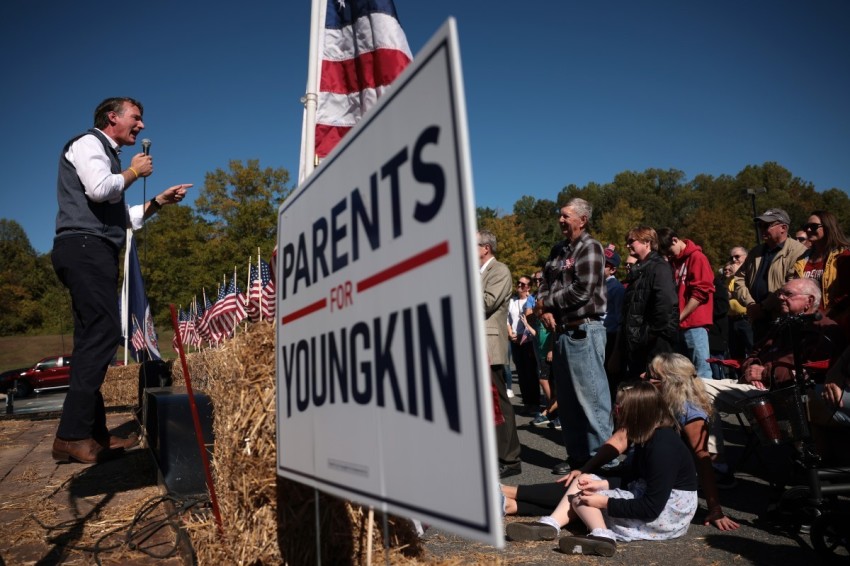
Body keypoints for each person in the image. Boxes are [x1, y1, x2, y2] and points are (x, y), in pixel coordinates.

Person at [51, 97, 191, 464]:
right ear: (112, 118)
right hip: (84, 248)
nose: (142, 126)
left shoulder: (108, 159)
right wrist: (133, 172)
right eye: (136, 118)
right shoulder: (88, 143)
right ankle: (71, 435)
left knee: (90, 339)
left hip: (92, 247)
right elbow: (101, 189)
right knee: (103, 332)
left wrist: (157, 202)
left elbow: (119, 216)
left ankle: (92, 435)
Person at [502, 353, 739, 530]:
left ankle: (508, 492)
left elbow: (703, 458)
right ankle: (512, 505)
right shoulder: (648, 399)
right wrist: (584, 468)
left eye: (651, 375)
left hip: (659, 483)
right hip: (637, 472)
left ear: (669, 382)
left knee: (586, 495)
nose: (643, 376)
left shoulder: (689, 412)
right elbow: (619, 439)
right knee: (583, 483)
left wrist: (715, 508)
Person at [504, 382, 698, 557]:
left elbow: (651, 507)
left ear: (637, 413)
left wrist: (603, 501)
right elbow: (635, 475)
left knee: (581, 500)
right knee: (584, 482)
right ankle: (550, 524)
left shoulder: (663, 446)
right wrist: (601, 484)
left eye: (620, 407)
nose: (615, 410)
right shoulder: (648, 436)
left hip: (668, 515)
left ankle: (602, 536)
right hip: (651, 500)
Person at [703, 278, 847, 474]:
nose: (779, 297)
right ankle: (713, 462)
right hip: (755, 386)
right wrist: (751, 368)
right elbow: (754, 353)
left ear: (809, 300)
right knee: (692, 387)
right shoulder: (780, 325)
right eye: (780, 293)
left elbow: (812, 370)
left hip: (785, 394)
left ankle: (715, 467)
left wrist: (766, 373)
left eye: (787, 294)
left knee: (697, 389)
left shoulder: (823, 329)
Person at [535, 198, 612, 476]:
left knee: (591, 400)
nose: (561, 220)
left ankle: (606, 463)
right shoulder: (558, 250)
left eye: (566, 216)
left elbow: (582, 290)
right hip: (561, 332)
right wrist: (543, 308)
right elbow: (543, 282)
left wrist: (546, 304)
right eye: (560, 215)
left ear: (583, 219)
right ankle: (578, 458)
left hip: (584, 330)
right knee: (567, 403)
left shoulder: (590, 247)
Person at [478, 230, 522, 478]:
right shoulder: (478, 273)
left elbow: (486, 302)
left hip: (489, 344)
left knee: (498, 404)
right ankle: (493, 453)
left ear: (486, 248)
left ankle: (510, 458)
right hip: (477, 345)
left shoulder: (499, 271)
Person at [611, 227, 678, 381]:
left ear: (647, 242)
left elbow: (665, 303)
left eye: (631, 241)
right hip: (639, 346)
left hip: (655, 345)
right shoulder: (638, 271)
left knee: (656, 391)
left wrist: (650, 334)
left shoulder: (659, 267)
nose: (627, 245)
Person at [734, 208, 808, 342]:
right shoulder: (755, 251)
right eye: (760, 225)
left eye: (766, 225)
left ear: (783, 228)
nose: (761, 229)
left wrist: (763, 307)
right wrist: (750, 304)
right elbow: (739, 278)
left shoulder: (799, 252)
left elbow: (791, 286)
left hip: (783, 321)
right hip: (757, 320)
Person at [658, 228, 715, 379]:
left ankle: (704, 401)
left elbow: (701, 291)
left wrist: (680, 316)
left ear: (675, 240)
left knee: (701, 370)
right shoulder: (673, 262)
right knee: (681, 373)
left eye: (669, 250)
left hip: (695, 324)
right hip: (679, 325)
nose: (668, 255)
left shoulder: (697, 257)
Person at [794, 210, 850, 313]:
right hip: (805, 320)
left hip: (834, 320)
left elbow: (847, 293)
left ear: (828, 227)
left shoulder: (843, 256)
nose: (809, 229)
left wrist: (830, 313)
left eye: (814, 226)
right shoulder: (801, 260)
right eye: (806, 226)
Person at [508, 275, 540, 414]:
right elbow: (507, 319)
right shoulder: (512, 301)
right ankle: (527, 402)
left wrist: (522, 335)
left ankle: (535, 403)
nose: (519, 285)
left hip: (528, 341)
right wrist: (510, 333)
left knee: (531, 372)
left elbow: (532, 321)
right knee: (521, 372)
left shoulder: (531, 301)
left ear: (528, 287)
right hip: (515, 340)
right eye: (518, 283)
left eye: (523, 284)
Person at [603, 244, 626, 399]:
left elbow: (619, 320)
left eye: (604, 265)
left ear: (612, 269)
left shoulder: (616, 289)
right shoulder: (596, 285)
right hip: (598, 337)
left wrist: (616, 351)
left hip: (609, 337)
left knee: (610, 381)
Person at [726, 248, 754, 365]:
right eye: (731, 257)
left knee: (753, 350)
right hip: (732, 320)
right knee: (736, 355)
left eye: (737, 256)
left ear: (746, 257)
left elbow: (743, 293)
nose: (733, 260)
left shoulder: (749, 272)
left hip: (746, 318)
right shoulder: (730, 278)